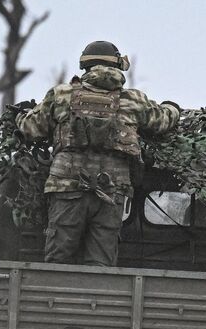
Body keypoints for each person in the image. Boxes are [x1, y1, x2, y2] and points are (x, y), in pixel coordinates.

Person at [17, 40, 180, 266]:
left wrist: (20, 115)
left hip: (66, 187)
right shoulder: (133, 100)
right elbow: (163, 122)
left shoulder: (62, 95)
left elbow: (30, 129)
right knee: (101, 263)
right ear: (118, 67)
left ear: (85, 66)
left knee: (58, 259)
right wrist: (172, 108)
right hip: (112, 191)